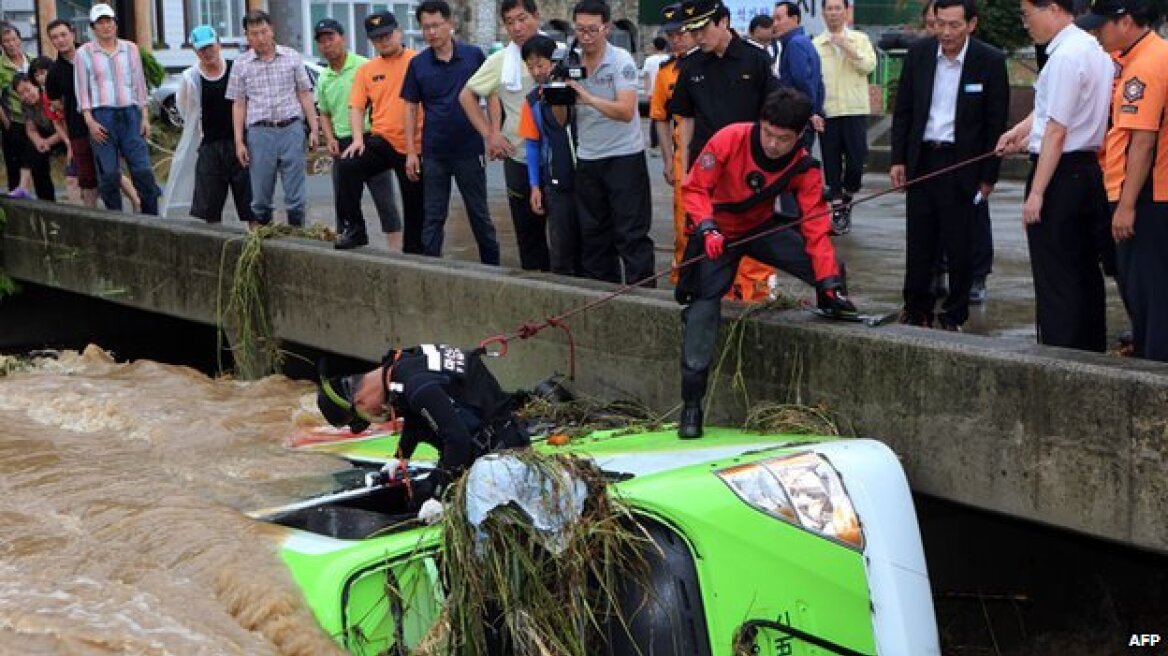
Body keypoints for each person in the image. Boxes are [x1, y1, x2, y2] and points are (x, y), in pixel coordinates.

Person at [675, 89, 855, 438]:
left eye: (783, 139)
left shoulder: (804, 166)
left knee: (831, 269)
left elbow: (815, 227)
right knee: (701, 308)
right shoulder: (730, 138)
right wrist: (708, 228)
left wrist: (828, 282)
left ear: (800, 135)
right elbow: (695, 189)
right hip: (717, 235)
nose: (773, 144)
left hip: (760, 227)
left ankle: (832, 302)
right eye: (768, 133)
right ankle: (692, 406)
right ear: (760, 123)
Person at [995, 0, 1111, 351]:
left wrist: (1037, 193)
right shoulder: (1091, 47)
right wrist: (1020, 131)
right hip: (1087, 172)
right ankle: (1089, 350)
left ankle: (1061, 354)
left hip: (1061, 173)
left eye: (1028, 15)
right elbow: (1050, 110)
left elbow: (1057, 130)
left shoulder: (1063, 57)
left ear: (1055, 9)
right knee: (1084, 272)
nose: (1026, 24)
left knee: (1057, 276)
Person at [890, 0, 1008, 331]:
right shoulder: (920, 55)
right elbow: (904, 112)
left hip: (964, 164)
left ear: (971, 24)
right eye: (940, 24)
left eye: (954, 25)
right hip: (923, 158)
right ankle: (916, 308)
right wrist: (899, 159)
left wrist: (989, 176)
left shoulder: (989, 61)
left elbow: (994, 124)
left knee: (960, 244)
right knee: (920, 241)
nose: (945, 32)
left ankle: (954, 314)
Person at [316, 343, 531, 516]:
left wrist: (439, 498)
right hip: (490, 424)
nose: (378, 415)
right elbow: (416, 417)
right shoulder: (401, 364)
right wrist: (402, 457)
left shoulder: (418, 386)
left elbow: (458, 440)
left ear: (361, 402)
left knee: (433, 492)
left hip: (503, 454)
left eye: (368, 417)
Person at [670, 0, 781, 301]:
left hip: (748, 168)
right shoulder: (692, 65)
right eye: (692, 30)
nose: (698, 37)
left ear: (723, 22)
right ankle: (707, 295)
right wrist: (684, 174)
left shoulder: (755, 60)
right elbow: (685, 120)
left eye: (703, 29)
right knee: (705, 234)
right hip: (707, 169)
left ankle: (755, 294)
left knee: (753, 233)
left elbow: (771, 115)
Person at [1077, 0, 1166, 359]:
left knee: (1150, 294)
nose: (1097, 34)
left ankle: (1154, 368)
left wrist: (1126, 206)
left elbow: (1142, 142)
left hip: (1146, 196)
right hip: (1149, 193)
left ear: (1126, 21)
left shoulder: (1144, 66)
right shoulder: (1147, 55)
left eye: (1102, 26)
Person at [566, 0, 656, 285]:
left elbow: (626, 110)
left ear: (606, 27)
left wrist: (587, 97)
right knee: (593, 236)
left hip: (623, 158)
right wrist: (556, 94)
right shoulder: (570, 61)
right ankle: (601, 296)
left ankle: (644, 297)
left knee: (631, 233)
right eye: (580, 29)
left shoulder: (620, 60)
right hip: (588, 158)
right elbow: (559, 118)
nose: (586, 36)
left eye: (592, 29)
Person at [402, 0, 498, 264]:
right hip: (434, 152)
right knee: (433, 216)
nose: (431, 32)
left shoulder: (473, 55)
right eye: (425, 27)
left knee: (479, 214)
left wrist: (492, 134)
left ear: (450, 24)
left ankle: (493, 269)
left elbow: (491, 96)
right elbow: (410, 109)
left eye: (436, 25)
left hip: (469, 149)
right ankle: (432, 270)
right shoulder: (418, 64)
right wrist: (411, 151)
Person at [459, 0, 551, 271]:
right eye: (510, 22)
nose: (517, 27)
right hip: (520, 157)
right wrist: (490, 135)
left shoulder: (559, 53)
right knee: (528, 235)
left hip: (560, 159)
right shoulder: (500, 60)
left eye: (522, 19)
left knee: (567, 234)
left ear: (537, 16)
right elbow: (467, 96)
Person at [334, 11, 422, 251]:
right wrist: (358, 139)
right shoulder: (367, 70)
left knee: (415, 204)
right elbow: (356, 106)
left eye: (387, 35)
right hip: (382, 141)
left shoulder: (418, 62)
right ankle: (355, 229)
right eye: (377, 38)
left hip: (414, 145)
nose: (383, 41)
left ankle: (415, 251)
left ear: (399, 32)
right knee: (348, 165)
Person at [313, 18, 400, 249]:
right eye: (322, 41)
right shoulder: (323, 77)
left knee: (385, 201)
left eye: (331, 38)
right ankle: (351, 241)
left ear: (343, 37)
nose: (327, 44)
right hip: (342, 144)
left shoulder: (365, 66)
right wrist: (330, 139)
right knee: (344, 201)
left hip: (370, 140)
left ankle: (396, 253)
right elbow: (324, 112)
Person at [227, 9, 319, 227]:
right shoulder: (241, 64)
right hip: (259, 132)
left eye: (263, 31)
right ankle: (262, 242)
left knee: (295, 197)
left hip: (291, 127)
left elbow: (305, 93)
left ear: (272, 30)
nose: (260, 38)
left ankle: (298, 239)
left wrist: (314, 128)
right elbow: (238, 104)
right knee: (260, 198)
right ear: (247, 36)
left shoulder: (292, 57)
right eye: (254, 33)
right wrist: (239, 141)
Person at [161, 25, 255, 224]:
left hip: (239, 143)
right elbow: (185, 108)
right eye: (202, 49)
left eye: (211, 47)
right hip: (210, 146)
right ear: (195, 51)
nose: (208, 52)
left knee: (250, 206)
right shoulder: (191, 77)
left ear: (219, 45)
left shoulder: (235, 68)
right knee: (209, 209)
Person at [73, 4, 160, 215]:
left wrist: (145, 117)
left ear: (115, 23)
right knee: (109, 174)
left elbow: (139, 83)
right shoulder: (84, 53)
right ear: (93, 28)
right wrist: (90, 121)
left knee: (142, 170)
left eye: (109, 21)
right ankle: (116, 220)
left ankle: (152, 219)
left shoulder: (130, 48)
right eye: (100, 23)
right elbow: (81, 90)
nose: (105, 26)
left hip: (131, 114)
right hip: (101, 116)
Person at [518, 34, 582, 276]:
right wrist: (535, 186)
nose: (536, 71)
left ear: (555, 62)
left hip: (586, 178)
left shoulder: (577, 91)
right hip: (555, 184)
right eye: (530, 66)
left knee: (591, 242)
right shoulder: (532, 100)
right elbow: (533, 145)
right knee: (561, 246)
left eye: (541, 64)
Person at [813, 0, 876, 235]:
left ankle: (848, 195)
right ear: (823, 13)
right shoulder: (817, 44)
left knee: (856, 160)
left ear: (846, 12)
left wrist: (847, 47)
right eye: (829, 9)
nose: (833, 13)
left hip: (854, 109)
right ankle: (838, 208)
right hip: (828, 111)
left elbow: (869, 66)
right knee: (830, 163)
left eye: (838, 8)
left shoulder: (860, 39)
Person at [650, 3, 697, 284]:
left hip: (710, 150)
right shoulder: (666, 72)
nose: (677, 39)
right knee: (683, 219)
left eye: (681, 32)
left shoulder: (708, 64)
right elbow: (660, 118)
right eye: (672, 34)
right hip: (682, 155)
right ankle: (684, 276)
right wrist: (668, 159)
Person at [44, 19, 98, 208]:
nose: (60, 40)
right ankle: (93, 216)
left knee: (111, 172)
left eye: (63, 34)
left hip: (103, 121)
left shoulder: (92, 54)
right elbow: (55, 103)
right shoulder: (54, 72)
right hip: (77, 128)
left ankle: (133, 206)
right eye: (55, 37)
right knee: (86, 176)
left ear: (72, 34)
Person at [772, 1, 825, 150]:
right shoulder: (804, 42)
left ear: (794, 19)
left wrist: (811, 112)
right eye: (773, 19)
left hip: (797, 119)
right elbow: (819, 83)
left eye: (779, 18)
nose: (775, 24)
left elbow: (802, 81)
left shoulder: (795, 44)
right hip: (805, 117)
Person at [13, 72, 59, 200]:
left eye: (27, 90)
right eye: (21, 94)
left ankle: (23, 188)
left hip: (64, 134)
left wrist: (47, 142)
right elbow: (30, 129)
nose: (26, 96)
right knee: (32, 148)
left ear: (35, 85)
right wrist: (38, 141)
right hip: (46, 135)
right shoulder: (26, 105)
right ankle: (29, 191)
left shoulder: (50, 96)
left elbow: (65, 129)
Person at [0, 22, 30, 194]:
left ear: (20, 40)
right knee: (14, 167)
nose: (11, 44)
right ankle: (16, 210)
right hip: (14, 122)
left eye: (14, 39)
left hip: (34, 121)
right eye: (6, 41)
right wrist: (6, 122)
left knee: (38, 167)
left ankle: (47, 206)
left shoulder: (32, 59)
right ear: (2, 44)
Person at [642, 35, 670, 150]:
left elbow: (646, 77)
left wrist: (647, 91)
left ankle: (654, 142)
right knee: (668, 117)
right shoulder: (669, 59)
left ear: (654, 46)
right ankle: (668, 141)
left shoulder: (649, 60)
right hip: (668, 91)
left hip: (654, 92)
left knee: (654, 118)